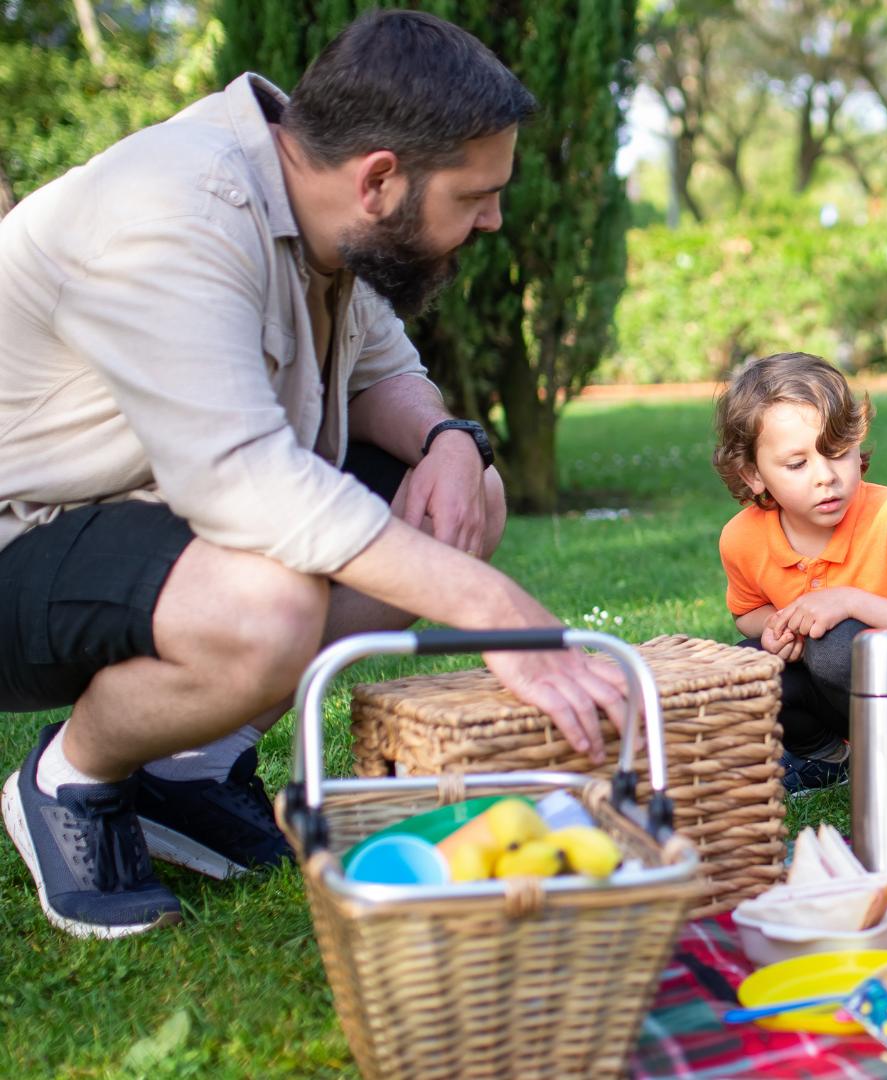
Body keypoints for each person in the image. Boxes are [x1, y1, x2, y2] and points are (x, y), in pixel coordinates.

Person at [0, 11, 627, 938]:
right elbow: (243, 483)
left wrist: (453, 441)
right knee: (267, 605)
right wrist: (492, 607)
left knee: (463, 497)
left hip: (149, 524)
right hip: (27, 534)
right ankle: (70, 781)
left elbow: (384, 378)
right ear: (380, 179)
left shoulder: (314, 191)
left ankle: (191, 769)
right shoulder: (175, 213)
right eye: (475, 194)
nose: (494, 217)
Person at [711, 353, 887, 795]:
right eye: (797, 465)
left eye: (837, 453)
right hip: (825, 685)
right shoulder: (741, 538)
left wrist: (848, 601)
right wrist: (781, 625)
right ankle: (826, 755)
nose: (826, 477)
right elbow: (748, 614)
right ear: (754, 475)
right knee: (745, 668)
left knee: (835, 644)